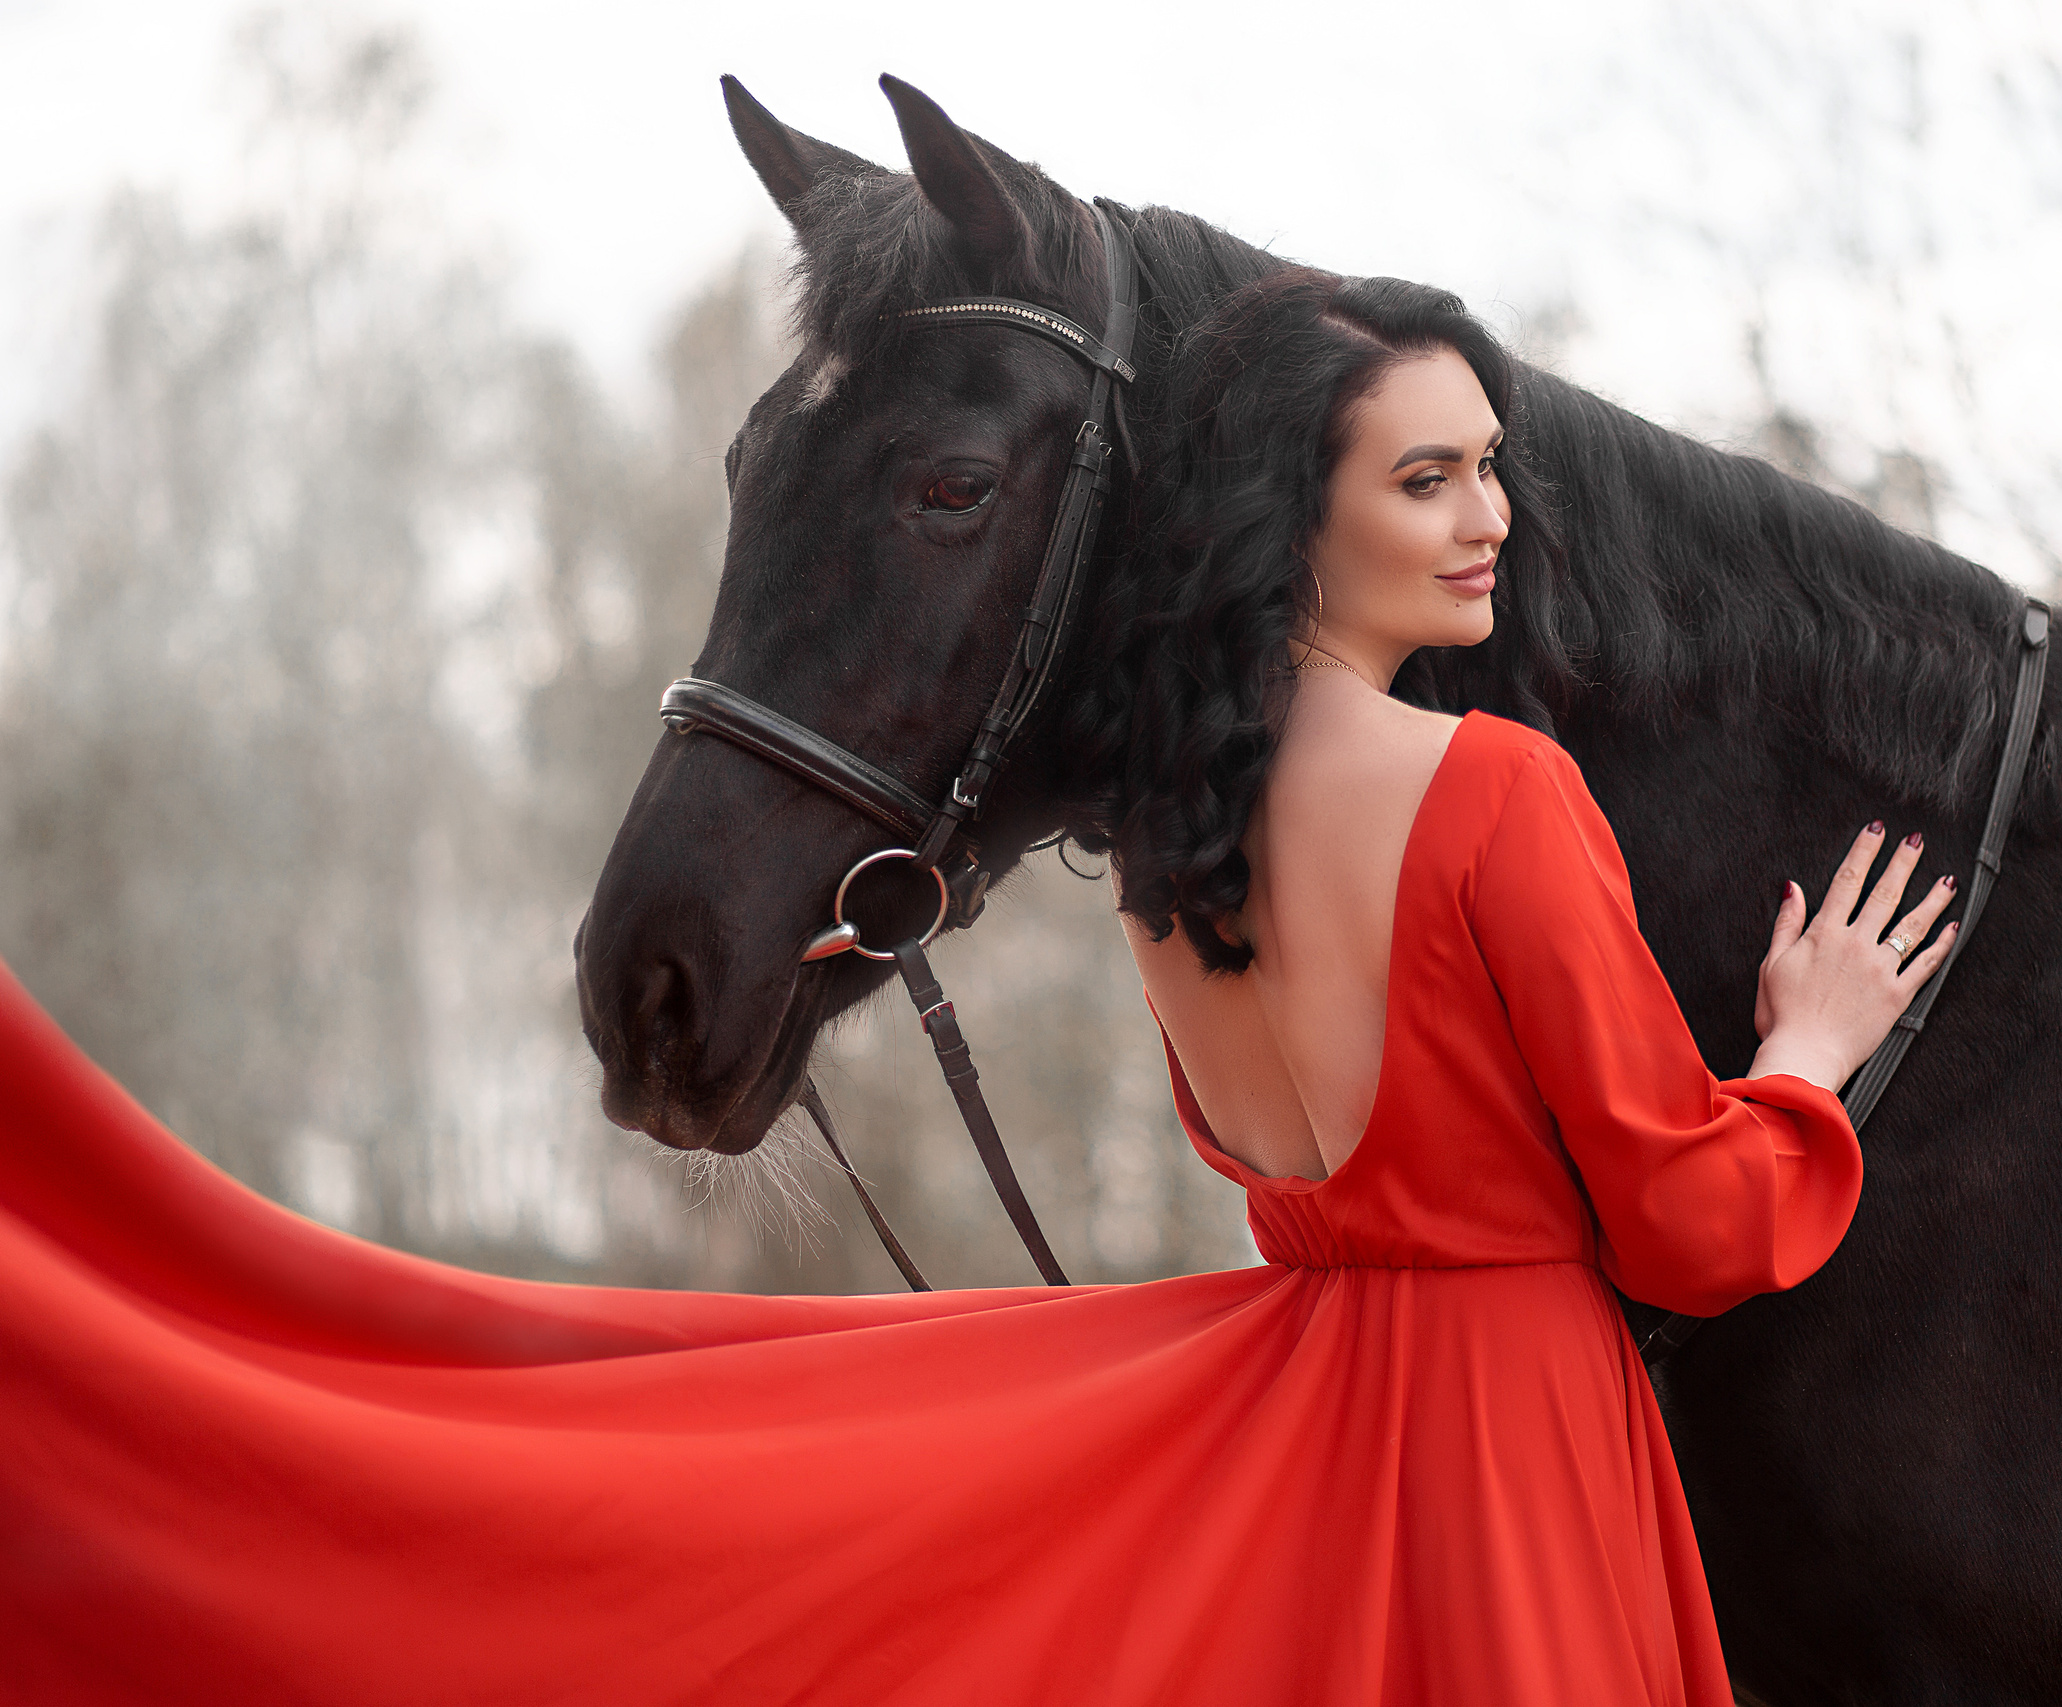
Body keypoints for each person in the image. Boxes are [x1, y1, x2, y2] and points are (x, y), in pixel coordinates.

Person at [0, 267, 1952, 1707]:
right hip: (1514, 1452)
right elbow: (1687, 1221)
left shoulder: (1166, 854)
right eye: (1427, 478)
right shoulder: (1499, 790)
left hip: (1312, 1447)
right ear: (1297, 515)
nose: (1486, 520)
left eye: (1489, 472)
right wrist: (1801, 1051)